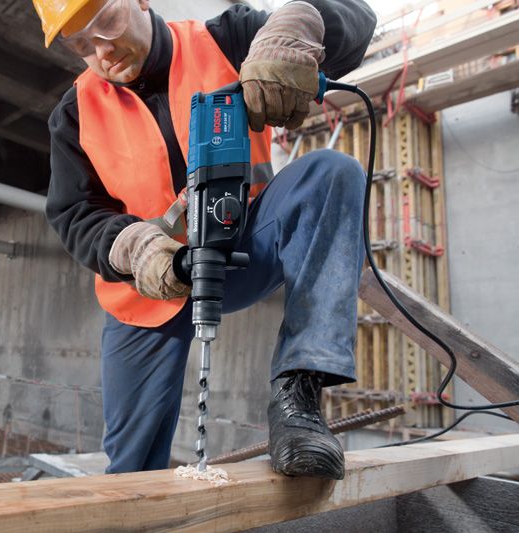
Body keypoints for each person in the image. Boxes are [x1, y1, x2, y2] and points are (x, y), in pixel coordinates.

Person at [32, 0, 377, 479]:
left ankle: (298, 399)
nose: (102, 51)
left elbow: (360, 23)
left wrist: (300, 25)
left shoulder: (228, 40)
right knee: (132, 467)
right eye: (81, 44)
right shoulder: (75, 114)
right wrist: (136, 248)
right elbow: (74, 213)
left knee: (333, 173)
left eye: (106, 23)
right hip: (149, 287)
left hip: (244, 249)